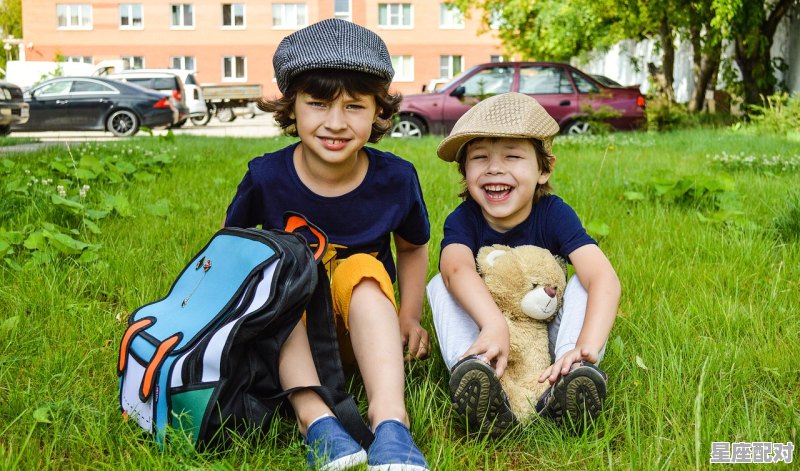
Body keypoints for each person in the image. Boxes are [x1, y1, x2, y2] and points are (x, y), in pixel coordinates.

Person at [224, 19, 431, 471]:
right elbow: (230, 254)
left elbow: (412, 247)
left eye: (354, 106)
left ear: (378, 111)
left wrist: (409, 315)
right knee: (281, 277)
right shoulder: (265, 177)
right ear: (292, 107)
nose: (335, 123)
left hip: (365, 334)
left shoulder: (396, 179)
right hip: (287, 338)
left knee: (362, 270)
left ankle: (390, 420)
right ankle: (314, 419)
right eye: (318, 103)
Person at [426, 92, 621, 435]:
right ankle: (474, 371)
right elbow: (455, 268)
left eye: (512, 156)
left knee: (584, 281)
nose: (494, 168)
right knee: (441, 283)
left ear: (544, 169)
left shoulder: (554, 214)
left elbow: (604, 279)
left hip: (547, 337)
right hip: (489, 334)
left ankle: (572, 373)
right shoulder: (464, 219)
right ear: (465, 170)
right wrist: (493, 324)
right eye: (480, 157)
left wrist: (586, 345)